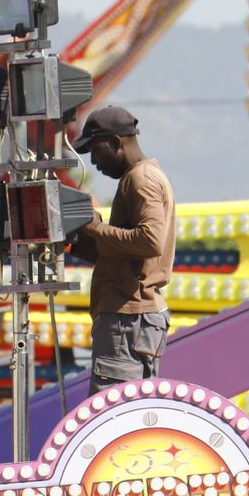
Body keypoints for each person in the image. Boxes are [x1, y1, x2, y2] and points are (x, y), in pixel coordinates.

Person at [67, 105, 176, 394]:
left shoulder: (141, 180)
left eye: (95, 150)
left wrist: (93, 228)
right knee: (130, 417)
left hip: (128, 319)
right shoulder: (143, 176)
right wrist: (79, 240)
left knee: (112, 417)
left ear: (116, 142)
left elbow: (150, 241)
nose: (94, 162)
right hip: (134, 319)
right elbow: (128, 252)